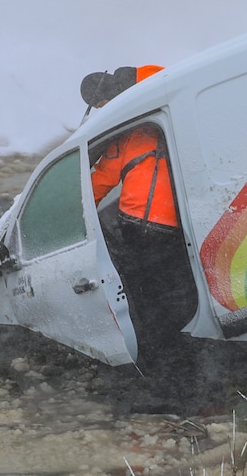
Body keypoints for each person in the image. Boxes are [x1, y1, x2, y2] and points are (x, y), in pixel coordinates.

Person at [81, 65, 195, 355]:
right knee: (178, 281)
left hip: (141, 225)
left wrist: (73, 213)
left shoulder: (124, 135)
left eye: (100, 105)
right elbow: (174, 78)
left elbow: (99, 183)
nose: (103, 110)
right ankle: (183, 332)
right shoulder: (161, 101)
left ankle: (164, 347)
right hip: (180, 220)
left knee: (151, 293)